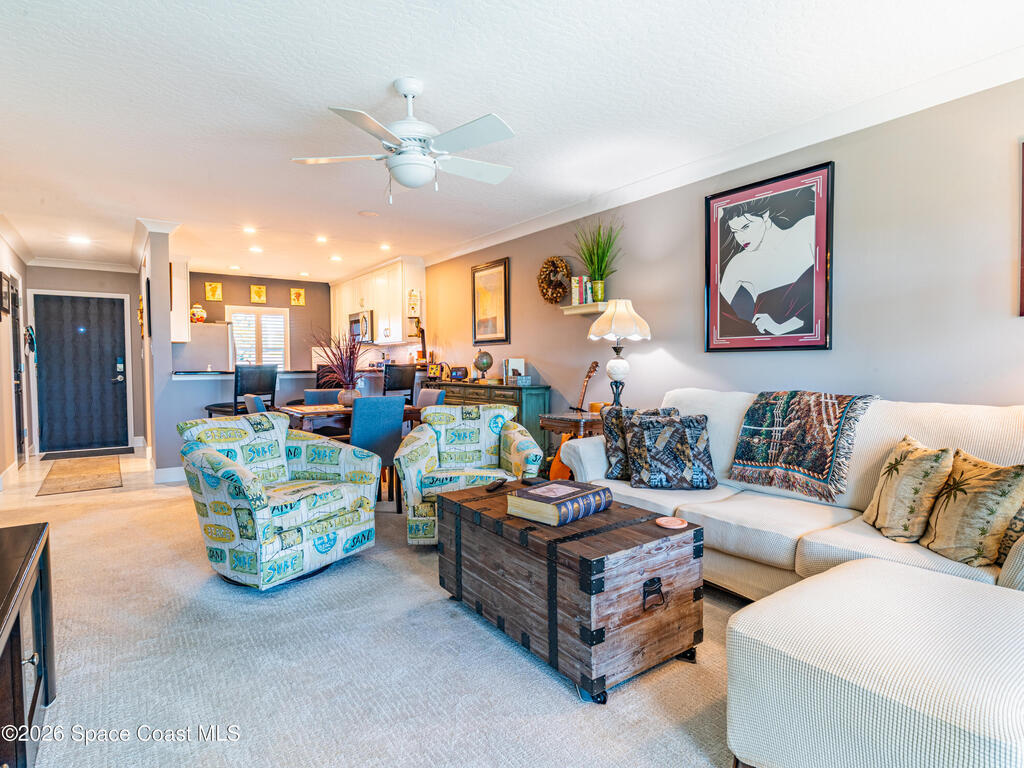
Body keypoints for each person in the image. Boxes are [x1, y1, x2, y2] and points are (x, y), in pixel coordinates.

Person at [717, 187, 815, 337]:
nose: (741, 238)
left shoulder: (806, 228)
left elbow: (820, 298)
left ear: (765, 216)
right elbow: (718, 316)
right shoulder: (739, 263)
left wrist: (782, 327)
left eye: (746, 227)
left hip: (805, 340)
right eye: (735, 231)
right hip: (765, 341)